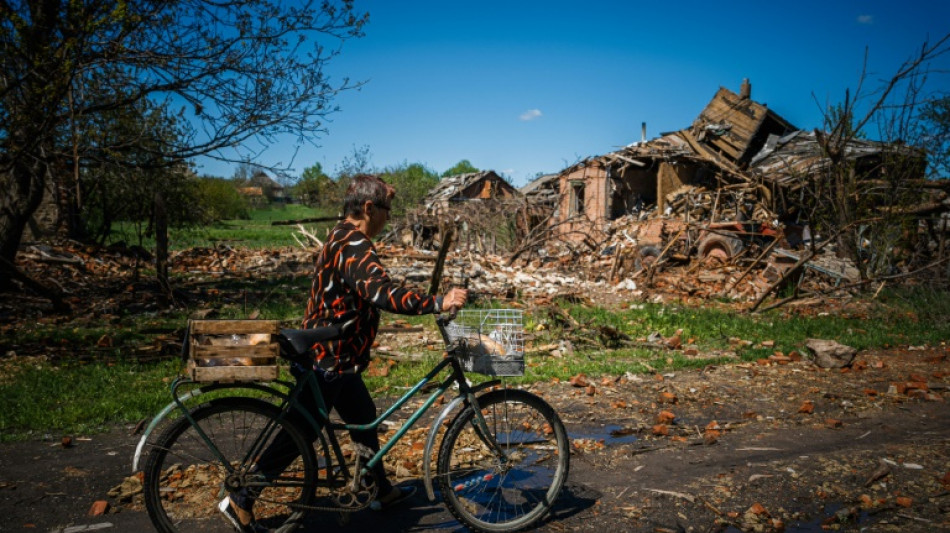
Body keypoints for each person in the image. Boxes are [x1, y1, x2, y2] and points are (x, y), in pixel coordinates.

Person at [220, 174, 468, 531]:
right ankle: (242, 497)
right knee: (302, 430)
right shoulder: (354, 243)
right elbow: (380, 292)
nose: (389, 216)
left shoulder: (342, 235)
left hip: (340, 355)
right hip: (330, 356)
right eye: (387, 208)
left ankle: (377, 488)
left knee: (363, 413)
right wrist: (437, 301)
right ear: (369, 208)